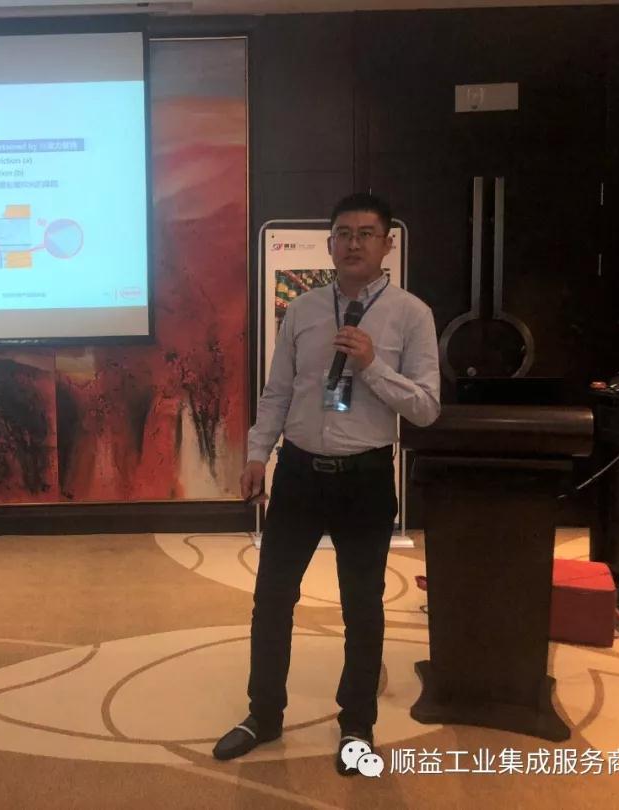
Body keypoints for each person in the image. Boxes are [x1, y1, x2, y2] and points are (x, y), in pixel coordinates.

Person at [212, 193, 441, 773]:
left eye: (366, 233)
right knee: (272, 599)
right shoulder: (303, 310)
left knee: (362, 606)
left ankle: (356, 724)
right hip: (298, 474)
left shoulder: (411, 314)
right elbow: (277, 392)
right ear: (330, 243)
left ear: (387, 243)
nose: (353, 243)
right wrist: (258, 454)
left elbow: (426, 407)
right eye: (344, 233)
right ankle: (263, 714)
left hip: (365, 477)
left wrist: (373, 366)